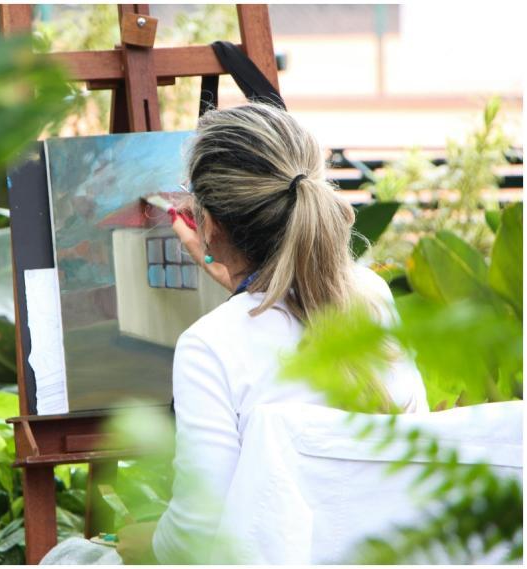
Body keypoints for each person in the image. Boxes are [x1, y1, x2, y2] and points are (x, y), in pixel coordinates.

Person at [114, 103, 429, 564]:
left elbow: (200, 527)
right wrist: (246, 290)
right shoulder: (373, 296)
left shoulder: (210, 345)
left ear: (210, 226)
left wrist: (152, 543)